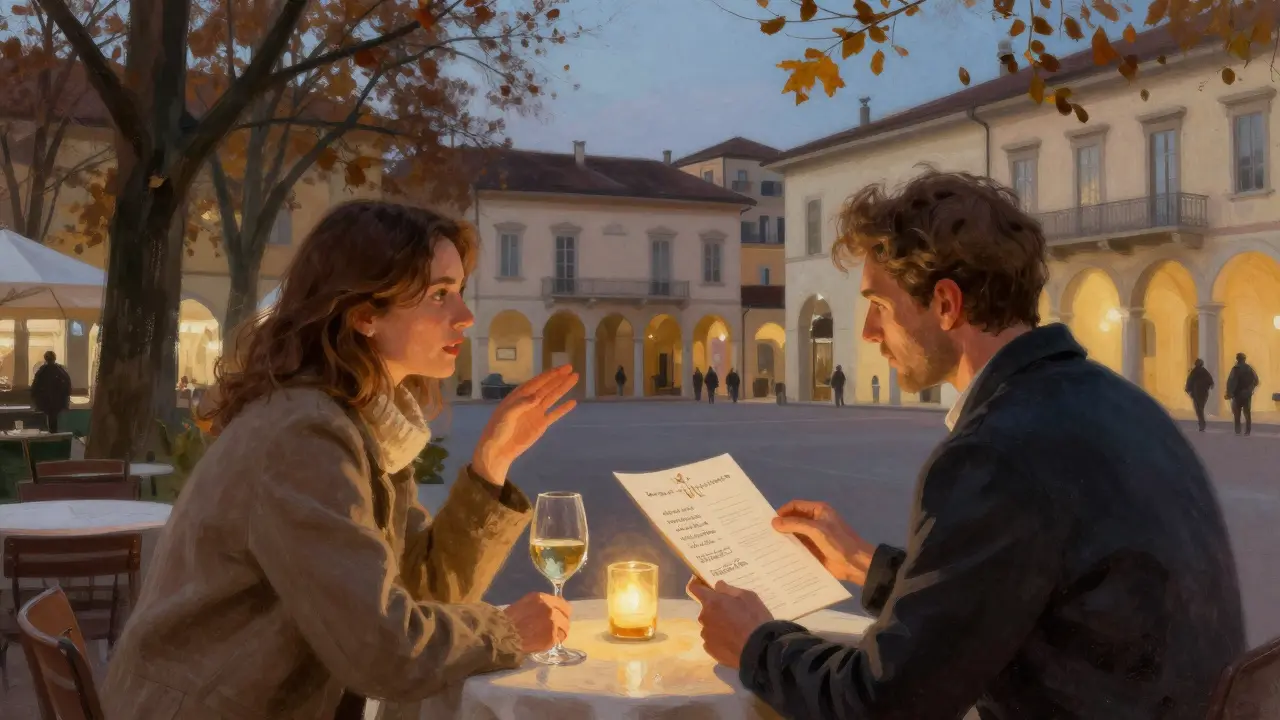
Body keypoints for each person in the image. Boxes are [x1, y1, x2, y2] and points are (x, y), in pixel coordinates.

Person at [688, 171, 1244, 720]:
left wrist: (757, 644)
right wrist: (867, 564)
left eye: (878, 305)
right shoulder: (1121, 403)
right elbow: (1018, 595)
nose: (867, 333)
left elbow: (886, 704)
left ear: (947, 304)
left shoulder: (994, 453)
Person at [103, 202, 579, 720]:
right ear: (364, 314)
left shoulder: (359, 424)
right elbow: (383, 650)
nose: (464, 317)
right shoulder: (304, 436)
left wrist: (492, 463)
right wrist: (504, 631)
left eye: (459, 291)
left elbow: (419, 589)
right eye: (440, 294)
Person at [30, 350, 72, 432]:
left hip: (45, 401)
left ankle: (49, 434)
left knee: (48, 419)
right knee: (55, 420)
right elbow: (67, 385)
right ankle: (55, 434)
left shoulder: (41, 371)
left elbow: (35, 386)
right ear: (55, 358)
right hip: (58, 401)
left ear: (45, 358)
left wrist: (34, 397)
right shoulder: (61, 371)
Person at [1225, 352, 1260, 437]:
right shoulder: (1249, 368)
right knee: (1247, 413)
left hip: (1237, 395)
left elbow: (1231, 382)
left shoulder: (1235, 369)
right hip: (1247, 394)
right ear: (1244, 359)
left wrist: (1229, 393)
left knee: (1237, 413)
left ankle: (1238, 430)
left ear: (1237, 359)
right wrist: (1250, 389)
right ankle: (1247, 431)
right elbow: (1256, 380)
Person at [1185, 358, 1214, 431]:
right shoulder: (1204, 372)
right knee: (1200, 408)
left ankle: (1201, 423)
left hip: (1196, 393)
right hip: (1203, 393)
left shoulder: (1194, 372)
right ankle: (1202, 423)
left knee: (1198, 409)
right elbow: (1211, 382)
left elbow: (1189, 381)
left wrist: (1188, 390)